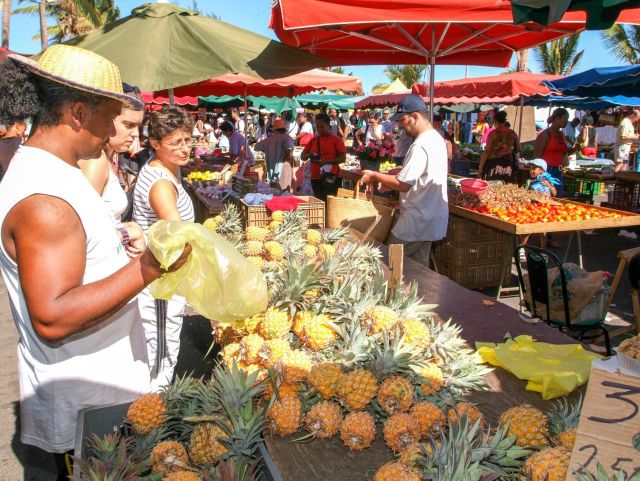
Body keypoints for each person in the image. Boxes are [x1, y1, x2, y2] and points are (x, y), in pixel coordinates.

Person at [0, 45, 190, 480]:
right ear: (79, 113)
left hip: (98, 394)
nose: (111, 132)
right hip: (84, 406)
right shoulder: (46, 198)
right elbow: (52, 316)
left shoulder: (59, 172)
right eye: (109, 117)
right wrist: (148, 270)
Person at [132, 107, 195, 389]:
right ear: (155, 144)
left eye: (188, 140)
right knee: (160, 353)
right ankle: (149, 418)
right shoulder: (161, 184)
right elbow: (177, 236)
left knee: (162, 348)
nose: (184, 149)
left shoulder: (167, 170)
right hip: (160, 284)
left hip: (165, 280)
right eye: (175, 143)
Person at [360, 94, 448, 267]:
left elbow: (404, 184)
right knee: (418, 271)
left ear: (415, 117)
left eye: (402, 119)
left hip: (415, 221)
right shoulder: (436, 138)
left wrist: (376, 175)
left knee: (387, 264)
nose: (399, 125)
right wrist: (389, 183)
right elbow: (418, 178)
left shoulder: (420, 144)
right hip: (430, 218)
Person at [79, 85, 144, 225]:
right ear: (109, 118)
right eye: (129, 125)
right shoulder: (95, 161)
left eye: (138, 126)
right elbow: (84, 227)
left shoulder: (105, 157)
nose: (136, 134)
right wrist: (125, 233)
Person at [300, 112, 346, 200]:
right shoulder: (313, 140)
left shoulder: (336, 140)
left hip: (331, 176)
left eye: (322, 127)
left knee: (331, 203)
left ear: (328, 125)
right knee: (319, 202)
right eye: (317, 127)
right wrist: (310, 154)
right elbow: (303, 157)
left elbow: (343, 158)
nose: (319, 129)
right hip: (315, 176)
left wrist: (326, 161)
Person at [534, 107, 570, 195]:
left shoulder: (562, 135)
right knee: (545, 197)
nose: (567, 121)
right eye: (565, 119)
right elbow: (537, 156)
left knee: (557, 196)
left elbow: (564, 152)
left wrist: (576, 148)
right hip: (546, 171)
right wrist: (539, 174)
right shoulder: (545, 135)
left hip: (558, 171)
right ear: (557, 119)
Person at [479, 110, 521, 183]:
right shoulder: (512, 133)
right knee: (504, 187)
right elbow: (518, 149)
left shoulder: (493, 133)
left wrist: (481, 166)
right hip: (508, 164)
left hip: (493, 164)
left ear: (495, 121)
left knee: (492, 185)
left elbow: (487, 151)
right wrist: (508, 151)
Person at [254, 118, 295, 191]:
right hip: (284, 166)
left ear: (274, 130)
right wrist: (285, 159)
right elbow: (289, 150)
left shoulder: (269, 139)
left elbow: (256, 147)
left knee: (274, 192)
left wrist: (266, 150)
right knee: (284, 193)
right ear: (283, 129)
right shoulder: (287, 138)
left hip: (271, 167)